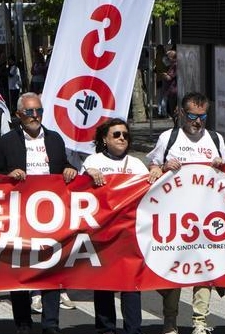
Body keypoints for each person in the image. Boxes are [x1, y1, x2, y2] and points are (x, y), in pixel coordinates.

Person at [0, 92, 77, 334]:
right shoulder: (7, 141)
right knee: (19, 271)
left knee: (51, 269)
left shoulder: (55, 139)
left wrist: (69, 170)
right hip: (19, 215)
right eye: (29, 112)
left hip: (51, 216)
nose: (35, 116)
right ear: (19, 115)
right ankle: (23, 324)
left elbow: (63, 165)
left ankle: (50, 324)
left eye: (38, 111)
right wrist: (9, 176)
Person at [146, 91, 225, 334]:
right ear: (181, 113)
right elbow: (151, 167)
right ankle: (170, 321)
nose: (198, 121)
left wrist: (221, 166)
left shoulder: (215, 139)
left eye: (203, 116)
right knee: (174, 270)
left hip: (205, 218)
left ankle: (200, 322)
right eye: (192, 115)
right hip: (173, 219)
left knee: (204, 269)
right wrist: (161, 167)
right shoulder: (168, 138)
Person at [82, 119, 153, 334]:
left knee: (131, 286)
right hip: (102, 234)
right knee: (103, 283)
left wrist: (157, 173)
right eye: (116, 134)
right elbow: (78, 192)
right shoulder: (92, 161)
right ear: (104, 139)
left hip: (130, 234)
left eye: (125, 134)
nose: (122, 138)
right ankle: (106, 329)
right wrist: (87, 175)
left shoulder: (136, 164)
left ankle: (133, 330)